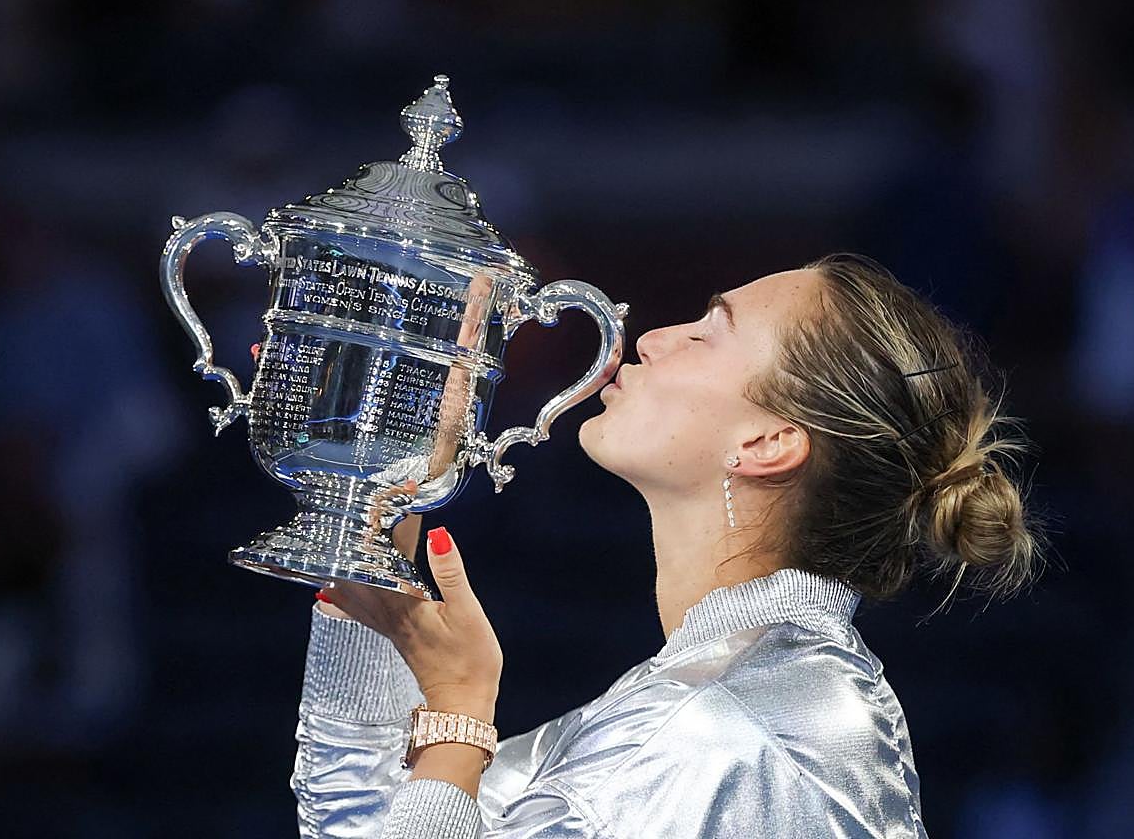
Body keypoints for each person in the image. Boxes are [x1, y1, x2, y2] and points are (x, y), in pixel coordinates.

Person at [289, 254, 1042, 838]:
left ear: (768, 442)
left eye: (707, 333)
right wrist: (383, 504)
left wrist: (459, 712)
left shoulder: (725, 727)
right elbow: (364, 821)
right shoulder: (722, 697)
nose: (650, 338)